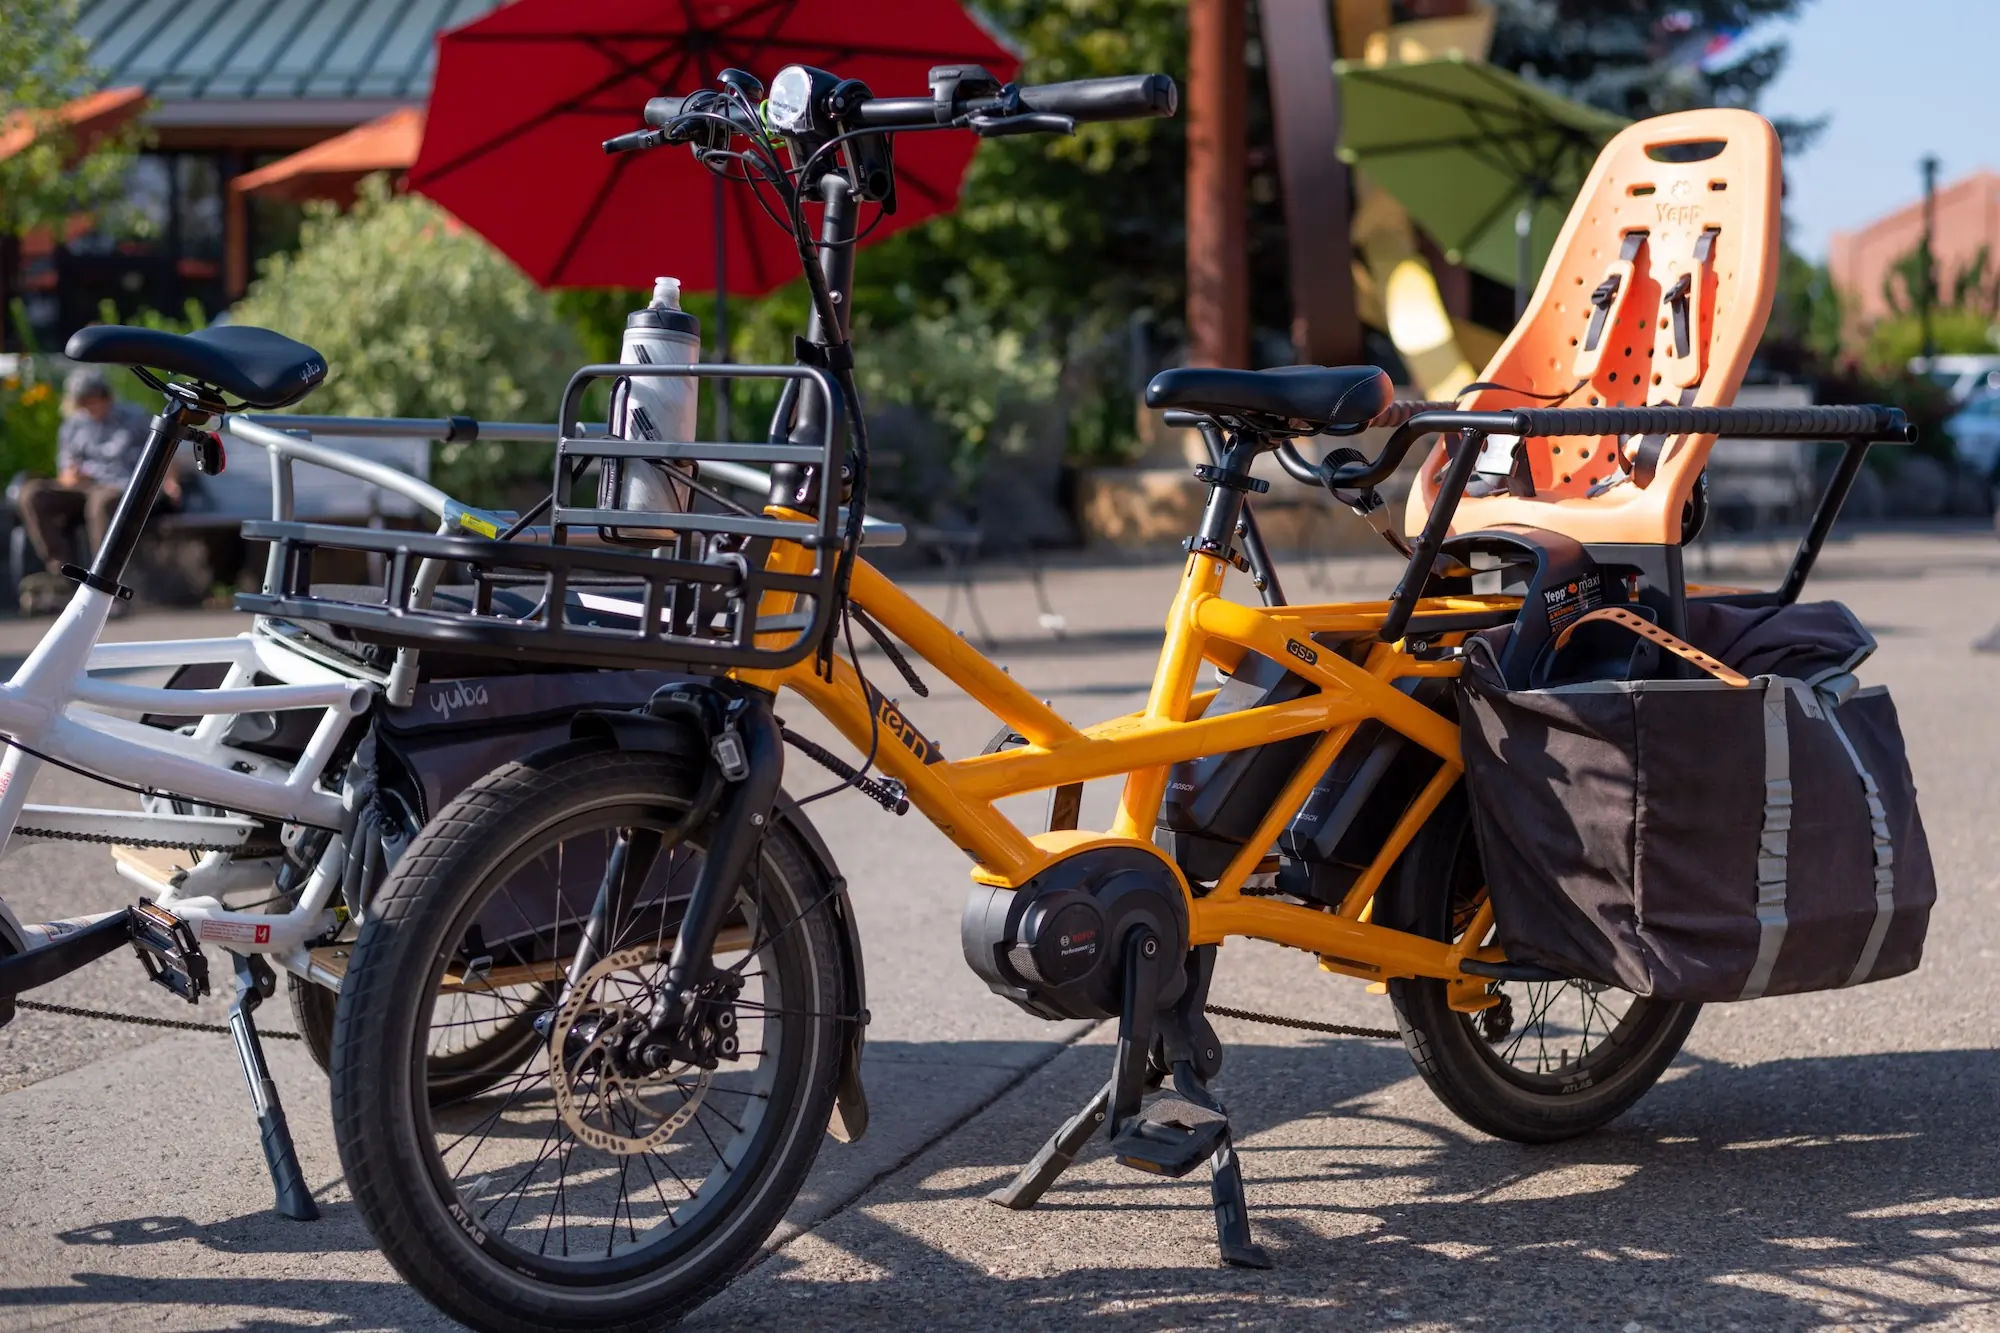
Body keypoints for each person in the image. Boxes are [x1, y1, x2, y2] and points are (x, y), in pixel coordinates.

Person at [18, 369, 180, 586]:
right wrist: (72, 477)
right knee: (32, 494)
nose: (93, 404)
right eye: (86, 400)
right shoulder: (72, 425)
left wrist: (171, 482)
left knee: (100, 503)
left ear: (107, 395)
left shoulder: (134, 417)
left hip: (121, 485)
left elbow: (164, 452)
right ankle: (61, 572)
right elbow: (65, 474)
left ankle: (101, 581)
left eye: (98, 398)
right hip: (84, 487)